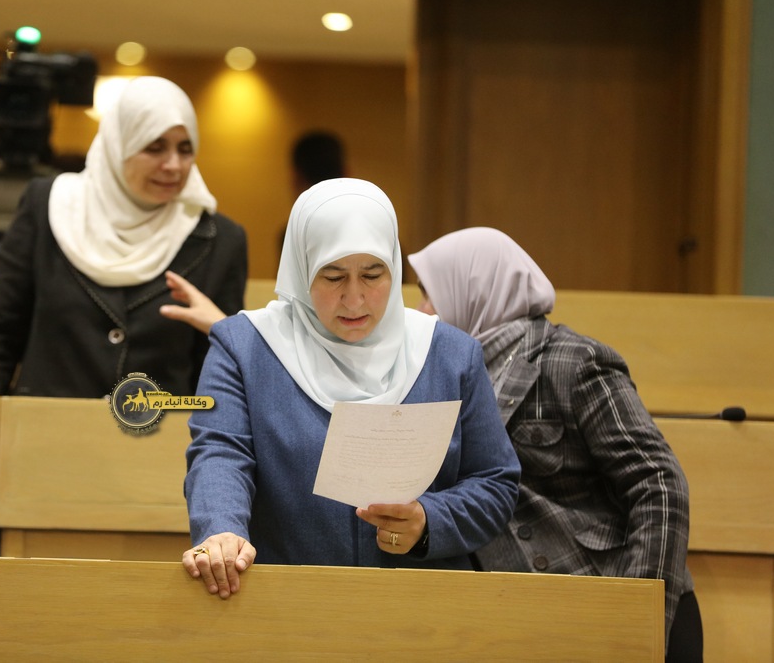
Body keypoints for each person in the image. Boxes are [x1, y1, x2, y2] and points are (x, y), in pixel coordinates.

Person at [181, 178, 520, 599]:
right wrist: (221, 529)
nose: (355, 299)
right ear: (302, 269)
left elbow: (494, 481)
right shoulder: (246, 346)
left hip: (425, 605)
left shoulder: (448, 353)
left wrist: (429, 520)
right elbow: (220, 453)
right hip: (288, 601)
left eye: (373, 274)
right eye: (333, 276)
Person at [408, 227, 700, 661]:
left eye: (429, 294)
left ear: (472, 289)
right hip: (523, 622)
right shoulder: (440, 378)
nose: (422, 310)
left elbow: (659, 484)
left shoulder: (572, 360)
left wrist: (638, 612)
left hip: (610, 607)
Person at [0, 76, 247, 398]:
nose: (174, 165)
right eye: (154, 147)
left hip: (159, 427)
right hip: (42, 422)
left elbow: (217, 374)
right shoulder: (51, 207)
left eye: (185, 149)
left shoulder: (219, 239)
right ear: (117, 145)